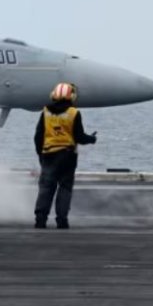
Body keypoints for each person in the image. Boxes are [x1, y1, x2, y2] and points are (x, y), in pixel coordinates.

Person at [33, 83, 97, 229]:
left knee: (46, 188)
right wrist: (92, 139)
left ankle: (40, 220)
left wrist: (40, 156)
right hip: (67, 157)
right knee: (65, 188)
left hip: (48, 155)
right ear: (71, 96)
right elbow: (79, 136)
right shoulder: (74, 113)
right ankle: (62, 221)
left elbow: (38, 136)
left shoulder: (45, 112)